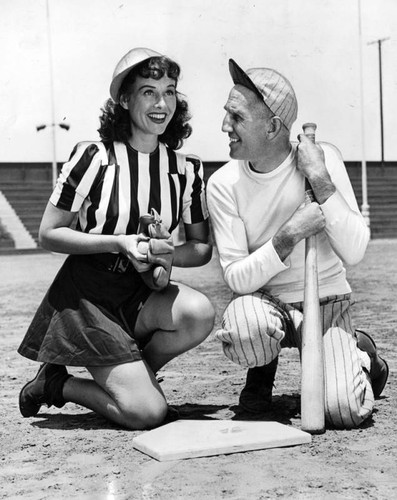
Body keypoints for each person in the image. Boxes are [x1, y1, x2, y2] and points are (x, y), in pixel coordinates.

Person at [18, 47, 215, 430]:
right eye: (149, 92)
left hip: (143, 292)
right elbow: (48, 233)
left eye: (170, 91)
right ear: (124, 99)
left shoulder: (186, 169)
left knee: (199, 313)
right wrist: (119, 242)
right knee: (148, 414)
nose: (162, 103)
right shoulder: (94, 156)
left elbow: (201, 248)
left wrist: (166, 251)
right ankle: (56, 384)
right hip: (90, 296)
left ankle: (136, 376)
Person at [207, 58, 389, 429]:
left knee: (343, 411)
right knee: (244, 331)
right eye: (227, 114)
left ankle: (364, 355)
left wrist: (321, 180)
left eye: (237, 118)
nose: (225, 126)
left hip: (326, 302)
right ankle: (262, 370)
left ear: (273, 127)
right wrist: (289, 235)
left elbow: (354, 251)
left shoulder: (324, 159)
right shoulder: (222, 184)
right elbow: (238, 279)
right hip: (265, 303)